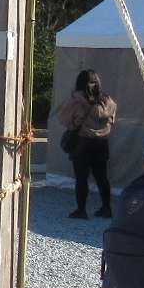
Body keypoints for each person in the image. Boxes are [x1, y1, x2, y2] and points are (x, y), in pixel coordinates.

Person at [56, 70, 118, 219]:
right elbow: (112, 118)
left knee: (81, 178)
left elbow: (63, 118)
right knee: (102, 177)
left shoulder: (76, 100)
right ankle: (106, 208)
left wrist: (75, 124)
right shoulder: (107, 101)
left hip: (82, 142)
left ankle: (81, 210)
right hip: (102, 142)